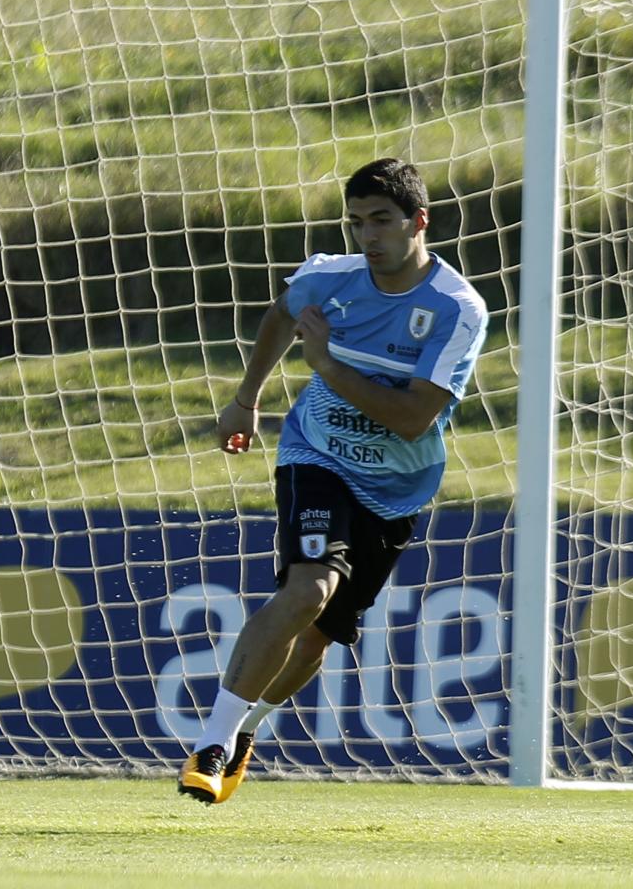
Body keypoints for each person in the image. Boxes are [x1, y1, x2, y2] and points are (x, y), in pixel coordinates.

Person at [178, 158, 488, 804]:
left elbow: (412, 419)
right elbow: (279, 312)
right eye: (356, 222)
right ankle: (211, 743)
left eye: (382, 220)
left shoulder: (457, 308)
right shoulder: (329, 278)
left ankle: (246, 731)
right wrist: (246, 399)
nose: (367, 236)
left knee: (317, 640)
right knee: (308, 591)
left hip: (398, 484)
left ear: (419, 222)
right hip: (316, 453)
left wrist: (322, 362)